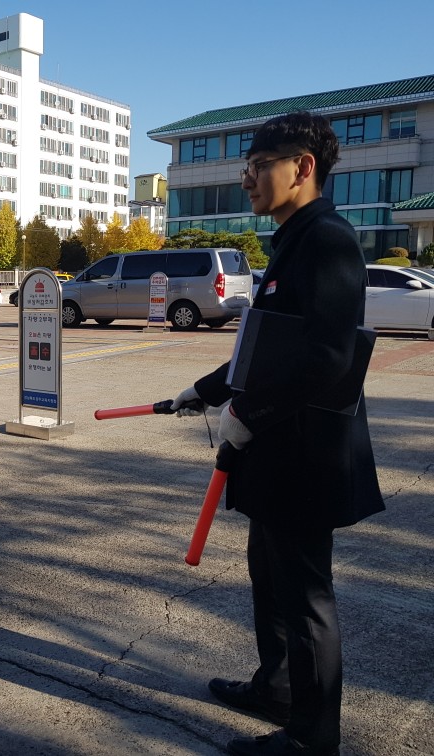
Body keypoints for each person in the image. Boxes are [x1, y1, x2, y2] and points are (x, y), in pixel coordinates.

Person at [171, 112, 384, 756]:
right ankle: (279, 686)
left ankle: (312, 740)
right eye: (248, 168)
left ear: (304, 168)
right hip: (274, 450)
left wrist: (250, 414)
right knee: (269, 571)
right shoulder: (291, 239)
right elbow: (263, 346)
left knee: (306, 592)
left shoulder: (328, 239)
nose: (249, 180)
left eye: (261, 166)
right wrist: (206, 392)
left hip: (306, 453)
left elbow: (328, 358)